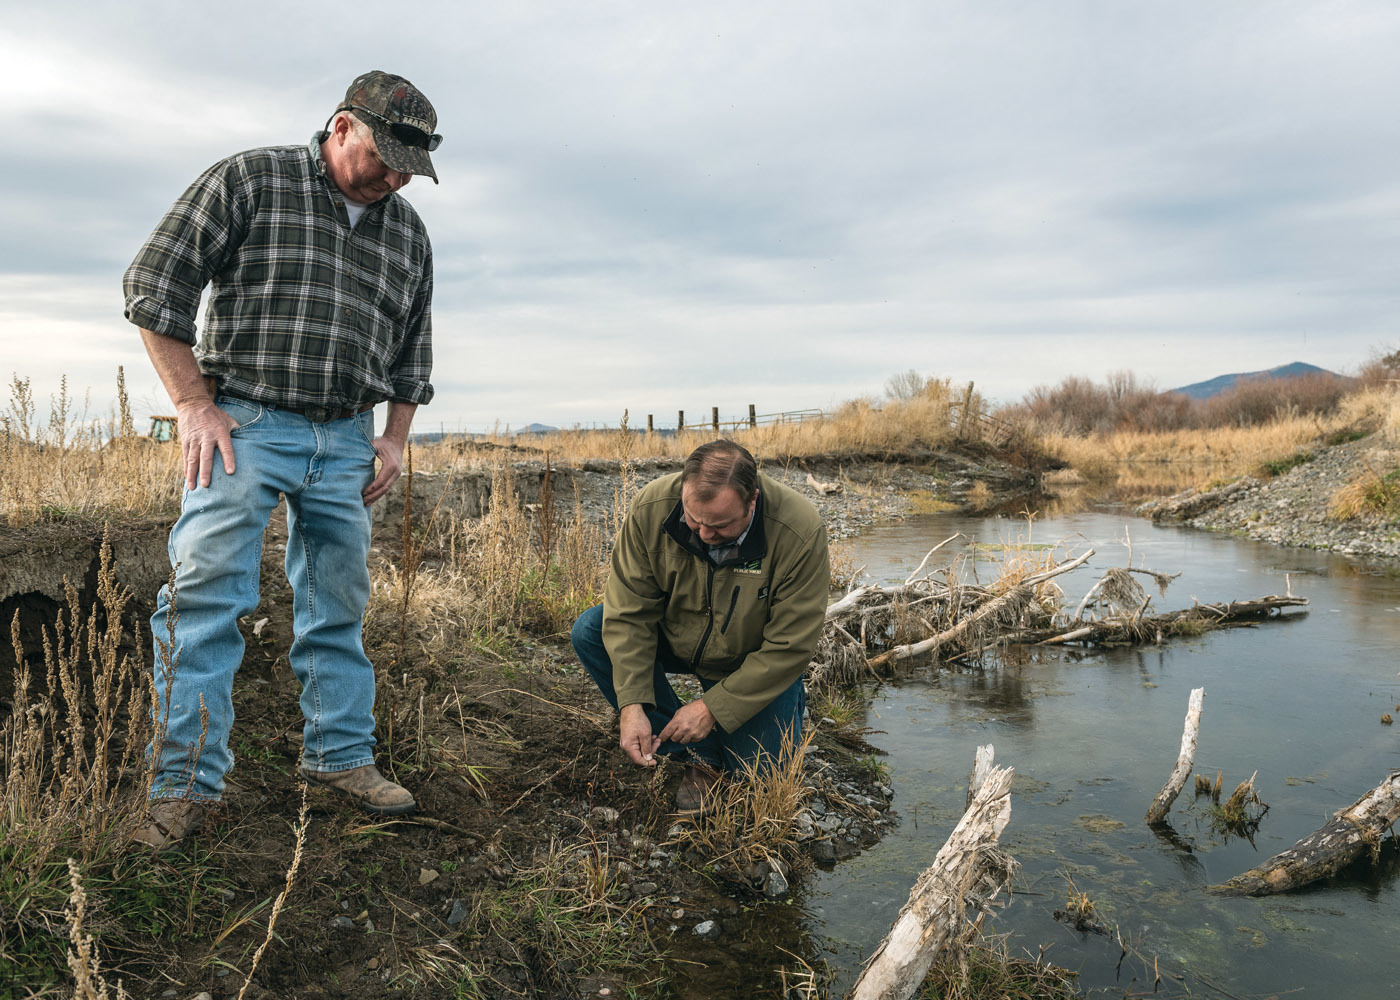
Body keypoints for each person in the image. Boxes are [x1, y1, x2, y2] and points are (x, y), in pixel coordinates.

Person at [122, 70, 442, 849]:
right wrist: (193, 404)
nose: (395, 179)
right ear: (342, 126)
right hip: (246, 424)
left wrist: (395, 436)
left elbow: (414, 347)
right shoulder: (251, 180)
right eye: (384, 158)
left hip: (348, 439)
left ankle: (340, 757)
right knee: (206, 598)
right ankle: (184, 788)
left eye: (409, 168)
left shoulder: (407, 233)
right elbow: (154, 285)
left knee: (338, 605)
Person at [571, 440, 830, 815]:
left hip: (748, 659)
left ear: (752, 501)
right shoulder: (651, 508)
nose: (705, 534)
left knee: (757, 782)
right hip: (676, 637)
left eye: (720, 525)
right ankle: (697, 754)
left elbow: (790, 646)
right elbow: (629, 613)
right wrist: (631, 703)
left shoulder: (799, 531)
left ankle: (749, 726)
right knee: (592, 629)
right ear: (683, 489)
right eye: (694, 520)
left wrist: (712, 708)